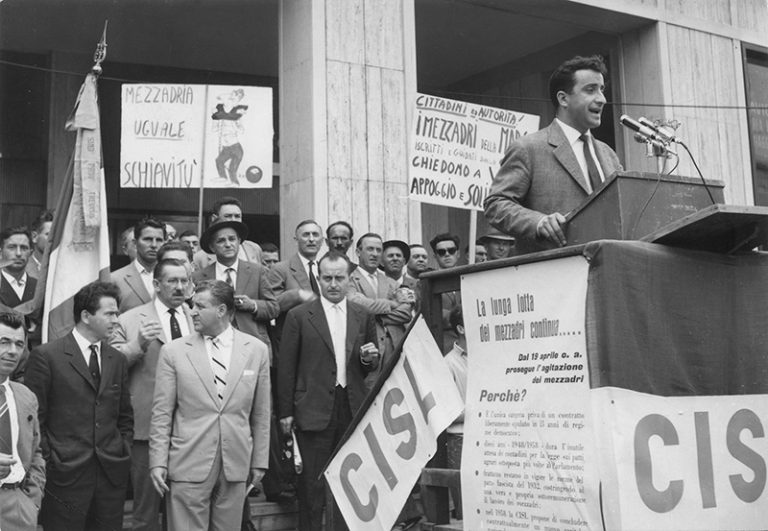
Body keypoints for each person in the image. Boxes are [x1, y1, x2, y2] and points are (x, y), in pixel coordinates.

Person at [149, 280, 270, 531]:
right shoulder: (174, 352)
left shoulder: (256, 350)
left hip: (235, 464)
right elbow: (162, 413)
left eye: (199, 306)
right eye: (192, 305)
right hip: (188, 462)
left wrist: (259, 460)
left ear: (222, 310)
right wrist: (158, 461)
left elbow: (261, 412)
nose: (191, 311)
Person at [278, 252, 379, 531]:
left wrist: (370, 359)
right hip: (312, 409)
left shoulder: (363, 314)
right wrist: (285, 413)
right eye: (327, 278)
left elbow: (368, 365)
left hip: (351, 407)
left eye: (340, 278)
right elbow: (286, 367)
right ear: (318, 279)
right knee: (311, 487)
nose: (333, 284)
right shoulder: (299, 316)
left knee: (351, 484)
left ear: (349, 279)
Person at [484, 55, 623, 254]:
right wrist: (538, 222)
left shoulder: (609, 155)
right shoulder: (528, 148)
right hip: (553, 274)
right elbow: (495, 205)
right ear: (563, 98)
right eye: (591, 90)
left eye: (602, 90)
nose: (602, 99)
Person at [25, 281, 133, 531]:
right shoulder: (47, 356)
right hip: (64, 476)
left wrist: (122, 449)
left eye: (116, 313)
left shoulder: (116, 359)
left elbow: (125, 415)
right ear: (86, 315)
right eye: (110, 313)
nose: (116, 320)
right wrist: (52, 461)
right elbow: (35, 419)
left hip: (110, 474)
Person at [110, 259, 194, 531]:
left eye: (184, 281)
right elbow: (110, 365)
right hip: (146, 428)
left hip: (191, 428)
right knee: (145, 511)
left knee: (184, 508)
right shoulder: (130, 319)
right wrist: (138, 344)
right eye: (173, 281)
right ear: (156, 284)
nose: (180, 287)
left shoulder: (197, 318)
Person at [193, 220, 278, 355]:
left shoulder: (258, 271)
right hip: (213, 347)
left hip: (252, 345)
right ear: (212, 247)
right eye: (221, 241)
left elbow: (274, 308)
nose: (228, 244)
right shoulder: (200, 277)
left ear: (239, 242)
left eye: (232, 239)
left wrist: (253, 305)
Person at [349, 234, 414, 388]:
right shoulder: (349, 279)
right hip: (368, 349)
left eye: (379, 250)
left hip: (395, 348)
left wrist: (374, 314)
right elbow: (357, 304)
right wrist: (393, 303)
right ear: (358, 252)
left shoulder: (391, 282)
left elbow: (406, 313)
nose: (375, 254)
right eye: (370, 249)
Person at [0, 311, 45, 531]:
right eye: (4, 342)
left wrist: (31, 502)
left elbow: (36, 452)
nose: (12, 351)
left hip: (18, 509)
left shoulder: (26, 396)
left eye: (19, 344)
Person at [267, 220, 322, 343]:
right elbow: (270, 306)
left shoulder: (326, 269)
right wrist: (297, 295)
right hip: (294, 339)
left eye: (315, 235)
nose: (311, 239)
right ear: (296, 239)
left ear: (322, 240)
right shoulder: (281, 269)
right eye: (306, 235)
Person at [112, 217, 166, 312]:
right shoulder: (115, 280)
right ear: (135, 243)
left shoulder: (173, 277)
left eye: (158, 240)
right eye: (147, 239)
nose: (154, 245)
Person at [193, 197, 263, 270]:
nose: (233, 220)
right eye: (228, 216)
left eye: (237, 216)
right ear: (214, 218)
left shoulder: (254, 249)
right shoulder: (200, 258)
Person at [443, 305, 466, 520]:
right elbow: (448, 412)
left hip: (489, 435)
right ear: (461, 328)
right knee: (465, 507)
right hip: (460, 439)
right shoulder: (448, 363)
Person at [429, 233, 461, 351]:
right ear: (435, 256)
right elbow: (432, 313)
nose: (447, 254)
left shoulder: (468, 279)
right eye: (441, 252)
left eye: (451, 250)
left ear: (458, 254)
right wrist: (462, 316)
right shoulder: (428, 282)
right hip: (442, 345)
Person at [0, 227, 36, 312]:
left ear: (30, 253)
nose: (18, 253)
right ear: (1, 252)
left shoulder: (40, 288)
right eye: (12, 247)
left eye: (24, 248)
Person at [26, 210, 53, 279]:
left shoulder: (64, 267)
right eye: (49, 234)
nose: (54, 239)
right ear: (34, 237)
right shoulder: (21, 269)